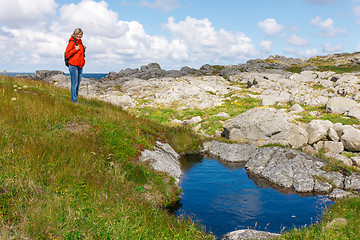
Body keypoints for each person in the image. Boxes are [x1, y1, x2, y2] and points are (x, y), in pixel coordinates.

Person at [65, 28, 86, 103]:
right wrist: (75, 49)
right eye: (78, 34)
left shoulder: (80, 43)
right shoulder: (72, 42)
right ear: (74, 34)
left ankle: (75, 99)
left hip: (80, 66)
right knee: (74, 83)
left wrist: (83, 49)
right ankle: (74, 100)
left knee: (77, 84)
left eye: (80, 34)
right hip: (73, 66)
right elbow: (67, 54)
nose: (79, 36)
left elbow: (79, 55)